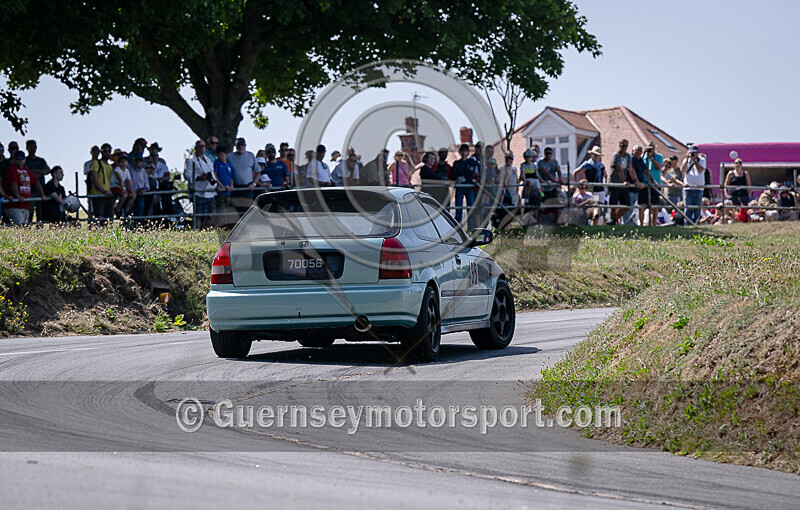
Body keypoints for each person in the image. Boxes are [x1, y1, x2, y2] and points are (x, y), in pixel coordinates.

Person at [3, 150, 43, 225]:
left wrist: (42, 194)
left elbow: (36, 182)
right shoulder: (12, 169)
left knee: (25, 227)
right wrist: (18, 195)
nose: (20, 161)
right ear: (14, 160)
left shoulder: (26, 170)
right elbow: (13, 183)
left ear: (25, 160)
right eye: (18, 159)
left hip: (25, 205)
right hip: (14, 205)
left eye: (22, 159)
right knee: (20, 226)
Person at [184, 139, 217, 228]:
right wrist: (199, 178)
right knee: (198, 216)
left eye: (203, 146)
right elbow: (187, 175)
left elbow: (212, 174)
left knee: (212, 215)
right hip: (199, 191)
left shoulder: (208, 160)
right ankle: (197, 232)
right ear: (196, 148)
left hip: (210, 191)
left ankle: (207, 231)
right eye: (200, 146)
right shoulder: (190, 160)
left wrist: (215, 184)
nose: (202, 148)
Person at [227, 137, 258, 212]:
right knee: (235, 211)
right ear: (235, 146)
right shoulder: (229, 156)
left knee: (247, 211)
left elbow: (258, 171)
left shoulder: (251, 156)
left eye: (242, 144)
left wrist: (254, 183)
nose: (240, 146)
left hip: (247, 188)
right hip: (235, 189)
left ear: (245, 145)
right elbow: (227, 172)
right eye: (238, 144)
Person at [452, 143, 478, 229]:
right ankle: (457, 228)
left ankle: (471, 228)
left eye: (466, 151)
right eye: (462, 151)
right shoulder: (456, 163)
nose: (464, 153)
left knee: (470, 208)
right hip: (459, 187)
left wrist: (464, 174)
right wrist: (466, 173)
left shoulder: (471, 161)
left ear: (468, 152)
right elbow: (455, 174)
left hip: (469, 187)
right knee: (458, 207)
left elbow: (470, 173)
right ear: (460, 152)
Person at [681, 146, 707, 224]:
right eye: (691, 153)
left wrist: (695, 161)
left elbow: (700, 170)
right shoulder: (686, 160)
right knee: (688, 208)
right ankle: (687, 225)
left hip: (699, 188)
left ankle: (696, 224)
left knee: (697, 209)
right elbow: (682, 169)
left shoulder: (702, 160)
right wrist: (687, 159)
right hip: (688, 188)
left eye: (695, 153)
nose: (693, 154)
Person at [88, 144, 115, 219]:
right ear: (101, 152)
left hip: (109, 195)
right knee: (99, 217)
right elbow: (94, 179)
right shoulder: (96, 163)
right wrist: (103, 191)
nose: (107, 153)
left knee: (109, 218)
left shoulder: (110, 167)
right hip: (98, 195)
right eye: (105, 151)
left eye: (109, 151)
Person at [641, 141, 664, 226]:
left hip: (655, 184)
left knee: (655, 206)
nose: (651, 150)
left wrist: (652, 158)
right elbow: (640, 165)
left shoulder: (659, 156)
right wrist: (644, 154)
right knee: (643, 205)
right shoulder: (643, 157)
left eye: (652, 149)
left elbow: (659, 167)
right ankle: (643, 224)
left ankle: (653, 224)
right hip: (645, 183)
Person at [628, 145, 648, 225]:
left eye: (640, 150)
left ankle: (634, 223)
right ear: (632, 150)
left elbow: (645, 170)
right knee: (629, 207)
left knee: (635, 207)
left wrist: (653, 181)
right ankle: (626, 223)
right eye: (637, 150)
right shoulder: (632, 158)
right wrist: (636, 181)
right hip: (631, 187)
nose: (639, 152)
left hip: (637, 188)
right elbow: (631, 170)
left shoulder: (640, 160)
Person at [110, 153, 134, 217]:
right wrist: (123, 189)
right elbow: (120, 180)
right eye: (122, 162)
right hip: (114, 186)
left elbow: (130, 180)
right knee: (124, 194)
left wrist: (132, 190)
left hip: (121, 186)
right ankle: (118, 209)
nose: (123, 163)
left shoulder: (127, 170)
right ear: (119, 163)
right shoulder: (117, 169)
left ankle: (126, 210)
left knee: (133, 195)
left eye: (125, 161)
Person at [214, 145, 234, 211]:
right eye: (218, 155)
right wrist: (222, 186)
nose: (220, 156)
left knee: (227, 210)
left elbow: (231, 177)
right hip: (221, 192)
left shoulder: (229, 165)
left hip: (228, 192)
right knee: (221, 210)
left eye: (221, 154)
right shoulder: (217, 163)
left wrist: (231, 186)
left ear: (226, 154)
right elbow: (215, 175)